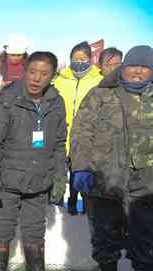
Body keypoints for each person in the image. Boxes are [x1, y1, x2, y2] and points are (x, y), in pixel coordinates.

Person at [0, 51, 67, 271]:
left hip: (40, 179)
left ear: (52, 76)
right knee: (3, 227)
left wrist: (60, 175)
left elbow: (60, 143)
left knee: (34, 229)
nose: (36, 78)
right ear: (25, 71)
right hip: (9, 179)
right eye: (32, 72)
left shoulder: (55, 102)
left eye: (44, 74)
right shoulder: (7, 100)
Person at [71, 45, 153, 271]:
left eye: (145, 66)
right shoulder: (100, 95)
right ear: (123, 68)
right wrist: (81, 167)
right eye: (132, 65)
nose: (138, 71)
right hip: (105, 176)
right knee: (105, 230)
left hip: (147, 180)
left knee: (146, 231)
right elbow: (82, 132)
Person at [53, 41, 104, 215]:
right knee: (58, 170)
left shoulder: (99, 80)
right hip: (61, 133)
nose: (79, 62)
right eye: (75, 59)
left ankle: (76, 203)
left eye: (83, 59)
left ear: (90, 60)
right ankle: (56, 203)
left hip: (85, 136)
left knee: (80, 170)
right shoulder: (60, 80)